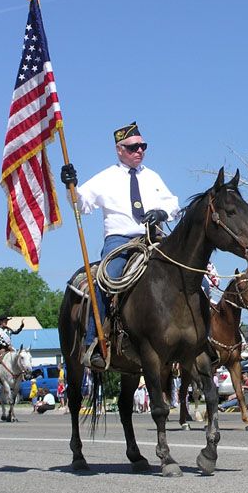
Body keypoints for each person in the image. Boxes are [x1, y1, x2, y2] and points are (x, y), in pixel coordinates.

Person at [60, 121, 180, 370]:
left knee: (191, 274)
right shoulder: (106, 177)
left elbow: (174, 204)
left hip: (153, 239)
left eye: (142, 146)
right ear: (119, 149)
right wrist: (70, 186)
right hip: (120, 242)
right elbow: (81, 204)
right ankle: (94, 342)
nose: (139, 151)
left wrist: (161, 212)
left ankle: (201, 339)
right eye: (133, 147)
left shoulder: (152, 177)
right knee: (107, 279)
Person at [0, 315, 24, 383]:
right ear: (1, 322)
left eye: (6, 321)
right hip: (1, 347)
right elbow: (0, 341)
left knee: (18, 357)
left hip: (9, 347)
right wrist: (7, 346)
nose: (6, 322)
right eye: (5, 321)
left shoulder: (8, 329)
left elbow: (16, 332)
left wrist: (21, 326)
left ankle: (22, 374)